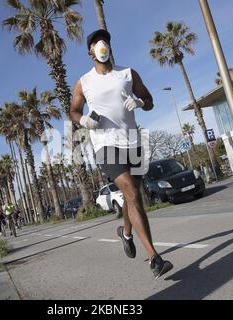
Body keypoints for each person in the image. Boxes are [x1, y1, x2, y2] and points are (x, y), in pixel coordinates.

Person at [69, 30, 174, 280]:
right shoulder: (83, 81)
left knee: (133, 195)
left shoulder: (128, 73)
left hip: (133, 141)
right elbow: (73, 111)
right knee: (131, 190)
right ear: (90, 51)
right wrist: (84, 120)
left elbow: (149, 100)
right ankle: (154, 258)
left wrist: (140, 103)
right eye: (96, 43)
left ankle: (125, 233)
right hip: (105, 144)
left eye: (105, 41)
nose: (102, 45)